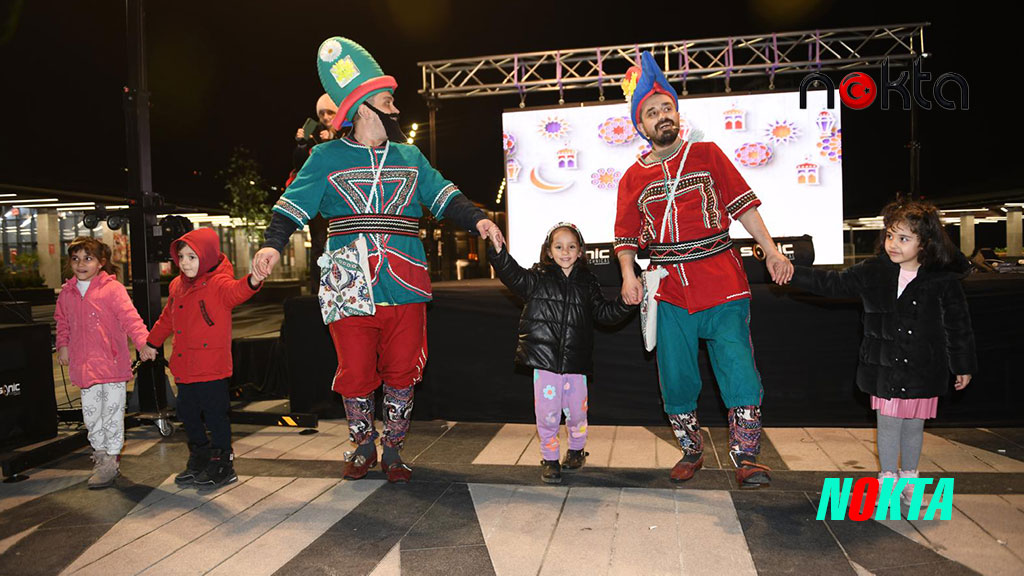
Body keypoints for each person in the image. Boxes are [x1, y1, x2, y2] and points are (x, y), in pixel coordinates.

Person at [252, 37, 505, 484]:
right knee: (355, 371)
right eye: (388, 102)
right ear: (365, 108)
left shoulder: (410, 156)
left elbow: (444, 196)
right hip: (347, 282)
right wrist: (273, 244)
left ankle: (393, 450)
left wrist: (478, 220)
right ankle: (363, 444)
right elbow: (291, 207)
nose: (396, 109)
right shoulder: (324, 157)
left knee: (403, 371)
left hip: (405, 282)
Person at [614, 52, 793, 488]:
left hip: (722, 280)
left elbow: (743, 206)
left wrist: (771, 251)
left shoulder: (708, 153)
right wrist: (628, 274)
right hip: (668, 289)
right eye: (652, 113)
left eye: (667, 108)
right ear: (642, 126)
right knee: (676, 374)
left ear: (678, 114)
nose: (662, 116)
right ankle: (691, 450)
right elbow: (625, 236)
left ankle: (746, 457)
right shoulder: (632, 178)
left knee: (738, 368)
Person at [788, 200, 976, 501]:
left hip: (923, 369)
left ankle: (910, 481)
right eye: (890, 235)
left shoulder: (942, 279)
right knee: (887, 425)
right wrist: (792, 272)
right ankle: (888, 480)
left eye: (903, 238)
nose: (893, 244)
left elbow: (958, 325)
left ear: (924, 243)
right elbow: (833, 283)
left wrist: (962, 365)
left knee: (914, 427)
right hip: (883, 368)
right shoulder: (874, 271)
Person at [488, 223, 635, 483]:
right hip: (545, 363)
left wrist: (625, 303)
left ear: (580, 251)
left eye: (571, 246)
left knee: (577, 414)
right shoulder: (537, 277)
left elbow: (604, 313)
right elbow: (512, 275)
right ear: (548, 251)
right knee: (547, 414)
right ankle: (550, 458)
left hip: (576, 363)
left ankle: (576, 451)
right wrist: (499, 253)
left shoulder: (588, 282)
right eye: (558, 246)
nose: (565, 252)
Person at [146, 228, 264, 490]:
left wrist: (254, 280)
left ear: (207, 257)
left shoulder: (218, 283)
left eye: (192, 257)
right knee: (186, 413)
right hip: (185, 366)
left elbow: (237, 291)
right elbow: (167, 319)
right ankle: (199, 456)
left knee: (215, 416)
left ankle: (223, 463)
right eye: (181, 257)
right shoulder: (177, 285)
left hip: (211, 367)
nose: (185, 263)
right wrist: (152, 342)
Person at [55, 237, 156, 489]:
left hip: (111, 366)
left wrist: (144, 343)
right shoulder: (67, 293)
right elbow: (62, 323)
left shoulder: (113, 289)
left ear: (101, 263)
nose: (81, 264)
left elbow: (130, 318)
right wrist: (63, 346)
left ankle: (110, 460)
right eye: (76, 259)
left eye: (88, 259)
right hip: (84, 368)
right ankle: (100, 455)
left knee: (112, 415)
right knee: (91, 417)